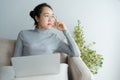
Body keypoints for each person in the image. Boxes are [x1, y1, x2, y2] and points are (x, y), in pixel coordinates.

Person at [14, 3, 80, 57]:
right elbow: (16, 59)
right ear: (37, 18)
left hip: (47, 72)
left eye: (52, 16)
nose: (50, 19)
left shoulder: (54, 38)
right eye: (46, 16)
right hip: (26, 71)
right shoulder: (23, 34)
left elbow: (76, 54)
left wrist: (65, 31)